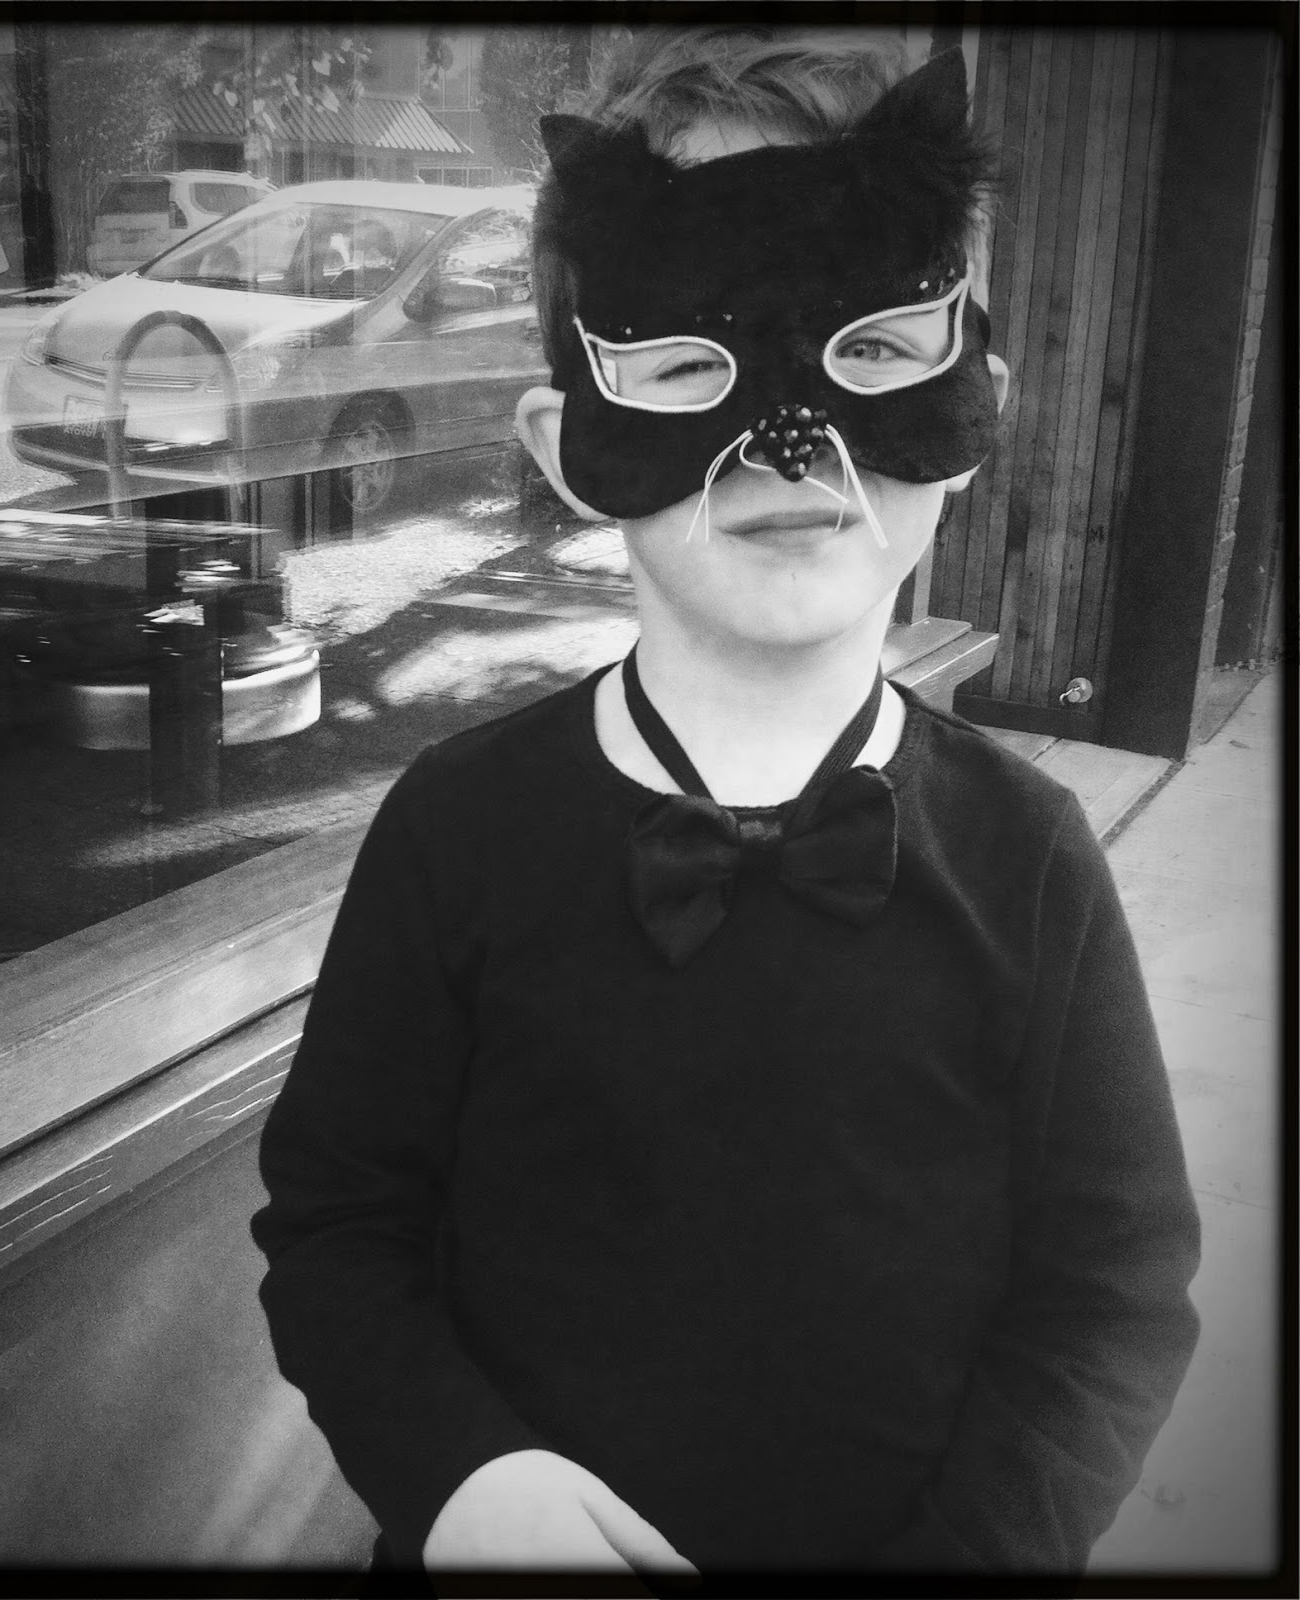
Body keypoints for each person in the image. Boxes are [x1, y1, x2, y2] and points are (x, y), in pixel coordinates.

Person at [252, 28, 1201, 1589]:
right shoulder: (455, 833)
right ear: (567, 446)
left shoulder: (1029, 858)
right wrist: (460, 1478)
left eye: (873, 349)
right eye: (688, 366)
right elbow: (339, 1226)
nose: (787, 443)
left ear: (977, 407)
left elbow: (1115, 1291)